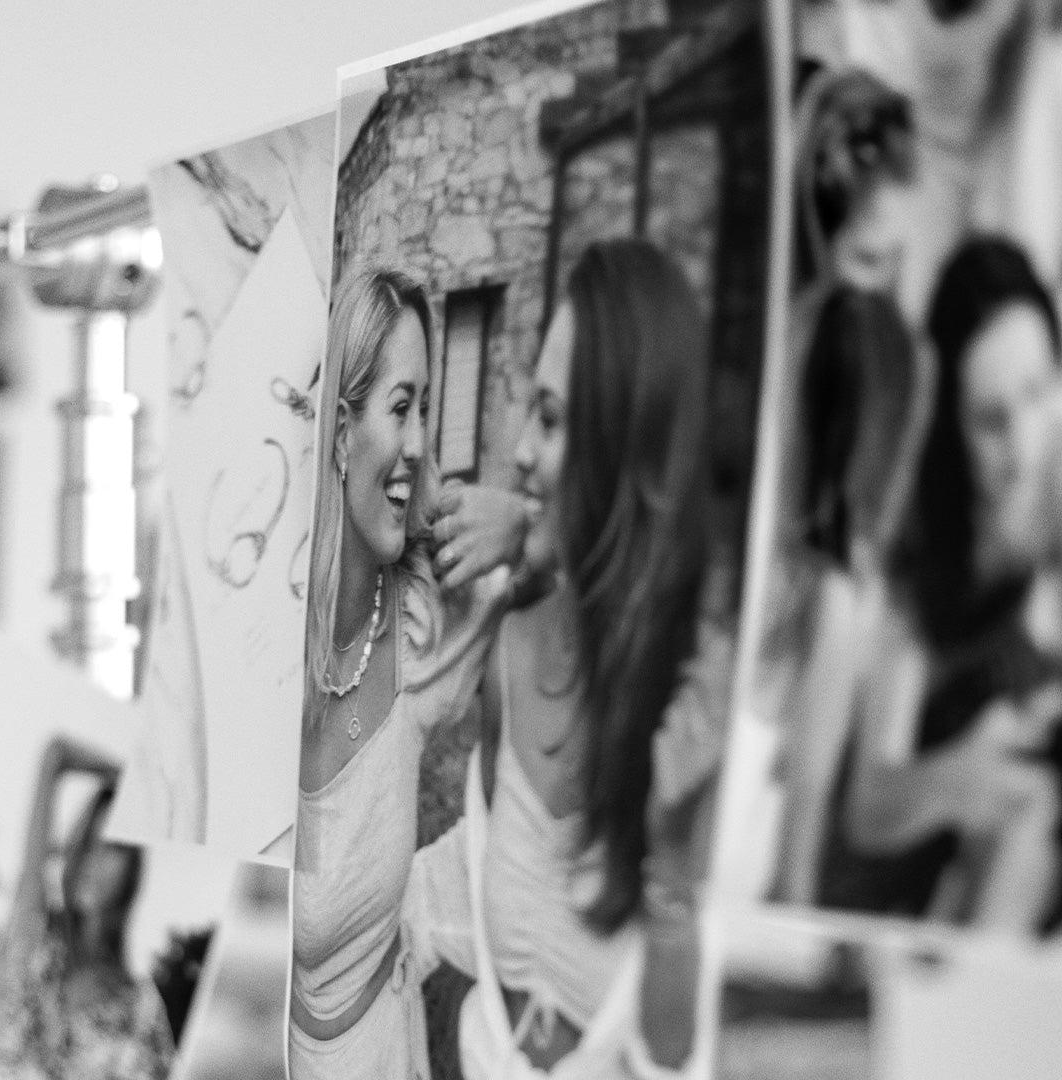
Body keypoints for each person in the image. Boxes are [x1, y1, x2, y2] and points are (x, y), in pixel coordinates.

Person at [405, 239, 725, 1077]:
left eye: (548, 420)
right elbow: (464, 887)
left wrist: (670, 870)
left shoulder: (699, 703)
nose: (517, 451)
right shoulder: (512, 644)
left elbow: (676, 1055)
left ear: (622, 448)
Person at [287, 266, 523, 1080]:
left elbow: (601, 590)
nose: (421, 442)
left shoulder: (424, 623)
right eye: (401, 407)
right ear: (340, 432)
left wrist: (529, 528)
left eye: (428, 406)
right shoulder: (266, 652)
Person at [838, 236, 1062, 932]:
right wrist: (959, 776)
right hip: (898, 885)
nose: (1023, 447)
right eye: (991, 421)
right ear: (952, 429)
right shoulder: (925, 546)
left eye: (1038, 393)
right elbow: (867, 805)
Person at [760, 65, 928, 906]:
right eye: (865, 259)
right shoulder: (799, 345)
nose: (878, 293)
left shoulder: (898, 360)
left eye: (896, 261)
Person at [0, 737, 174, 1079]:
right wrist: (132, 777)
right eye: (87, 842)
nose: (93, 859)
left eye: (112, 847)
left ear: (132, 869)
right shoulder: (36, 942)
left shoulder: (140, 1012)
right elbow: (55, 754)